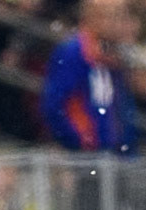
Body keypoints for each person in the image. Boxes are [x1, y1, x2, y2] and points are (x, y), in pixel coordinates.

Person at [40, 0, 140, 154]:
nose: (118, 24)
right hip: (86, 154)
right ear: (93, 18)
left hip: (117, 152)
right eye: (112, 16)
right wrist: (82, 140)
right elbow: (57, 104)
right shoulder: (74, 52)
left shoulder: (115, 55)